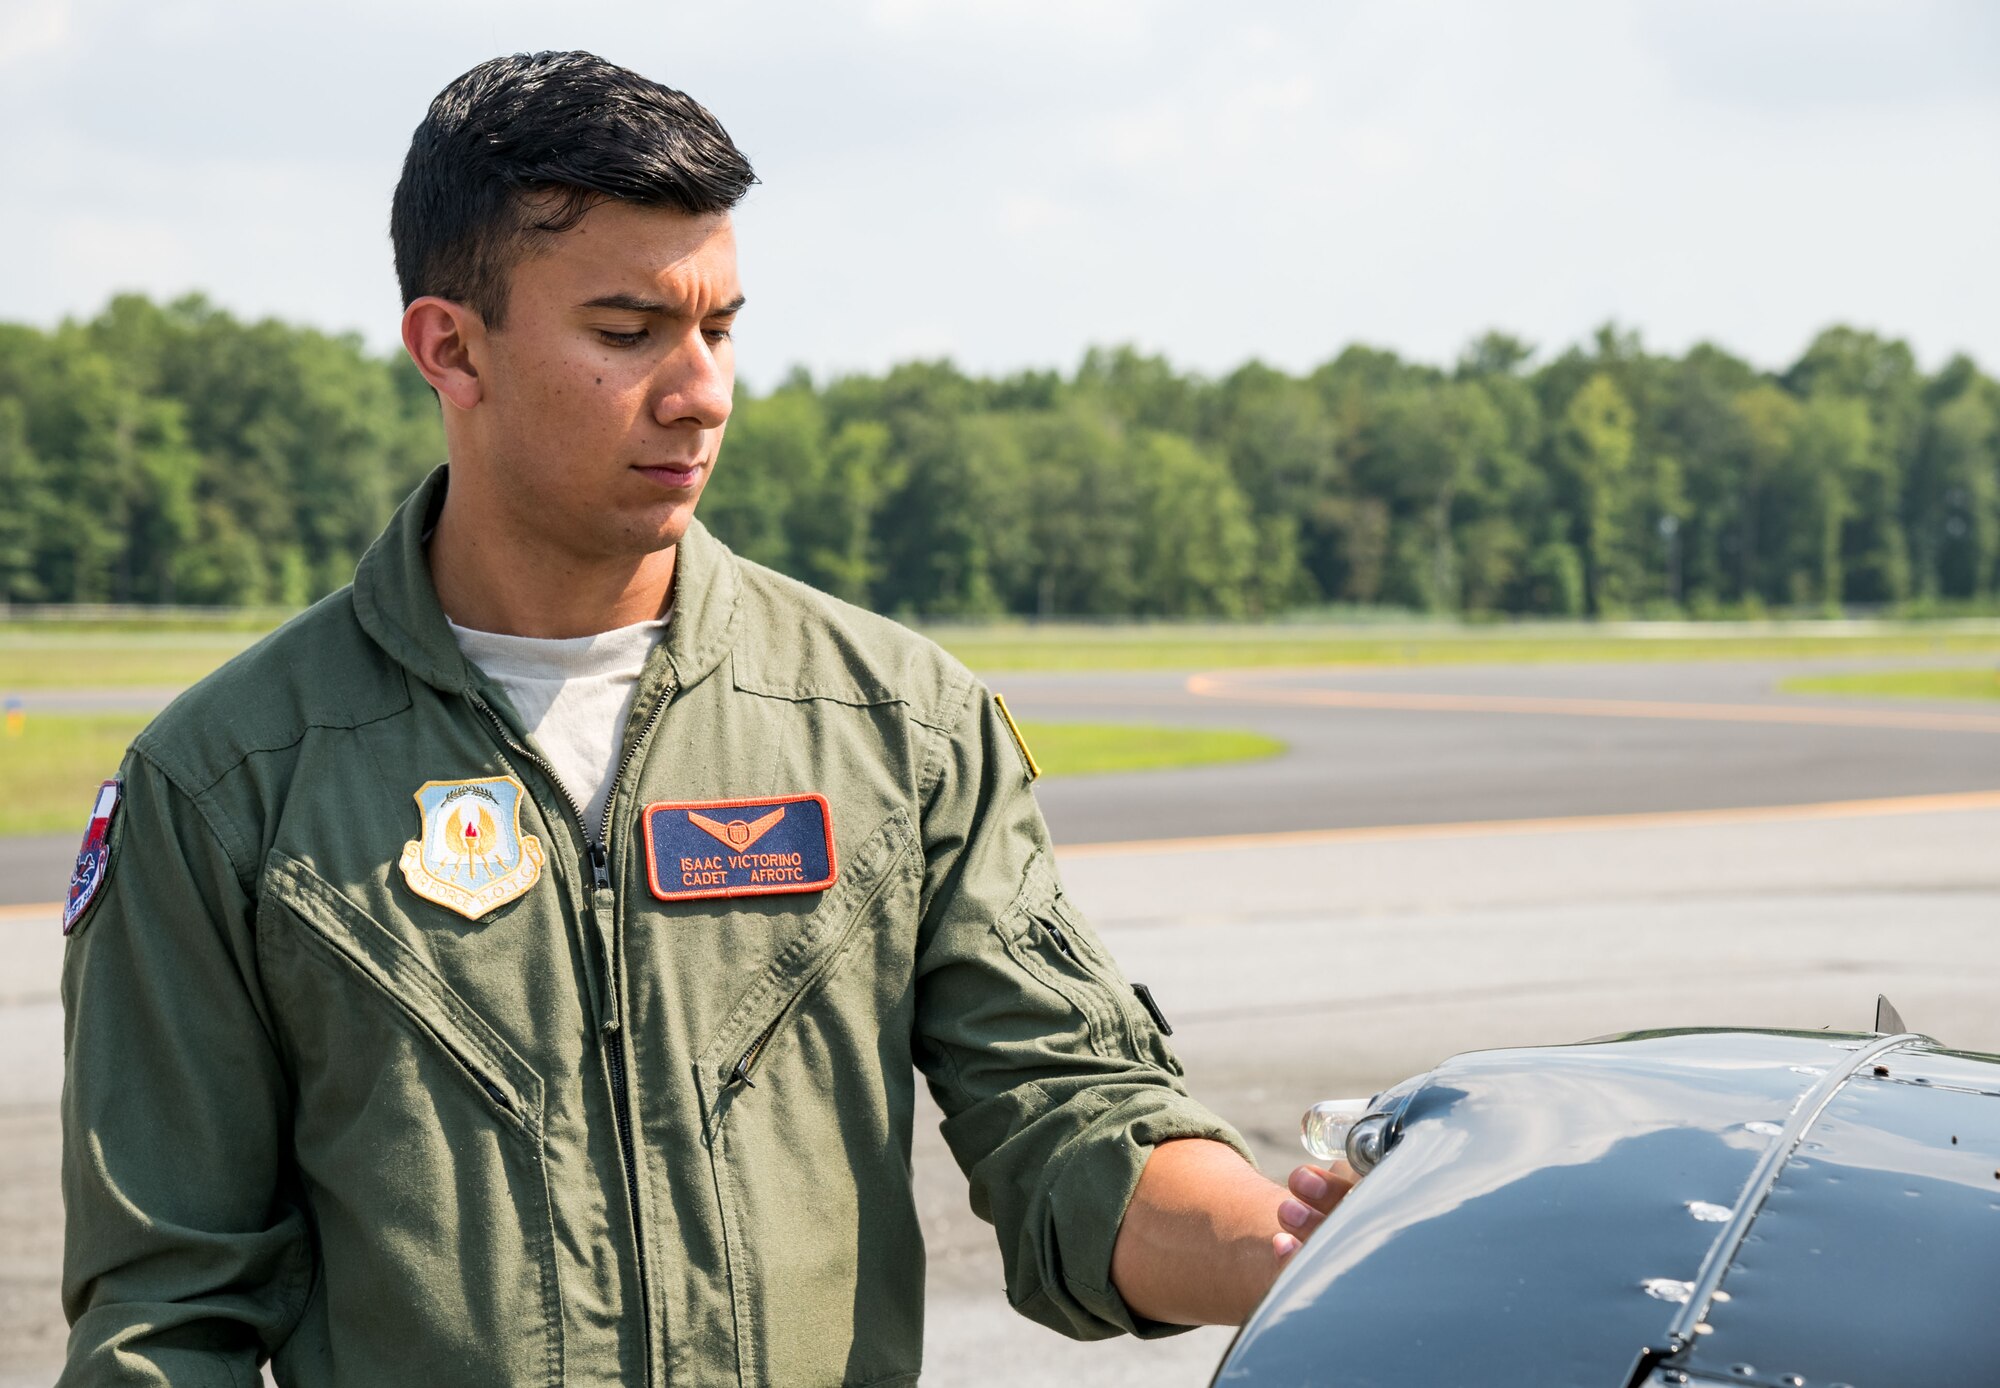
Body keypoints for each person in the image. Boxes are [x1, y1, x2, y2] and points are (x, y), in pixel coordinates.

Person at [58, 51, 1352, 1387]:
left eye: (719, 326)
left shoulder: (900, 729)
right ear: (451, 348)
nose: (701, 390)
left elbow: (1076, 1128)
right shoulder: (226, 787)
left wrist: (1292, 1242)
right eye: (628, 332)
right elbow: (168, 1322)